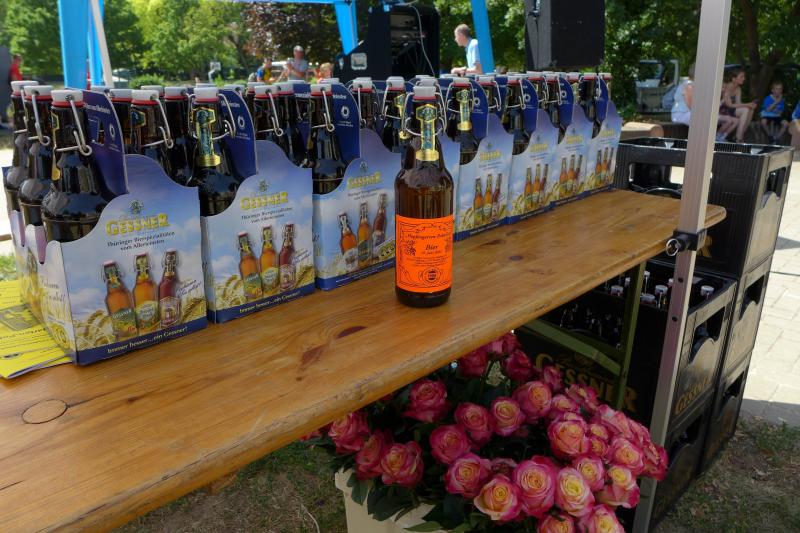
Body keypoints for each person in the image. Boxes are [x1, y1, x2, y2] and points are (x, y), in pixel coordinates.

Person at [723, 68, 757, 143]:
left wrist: (750, 105)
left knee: (751, 109)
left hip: (731, 110)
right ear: (734, 79)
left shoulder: (738, 88)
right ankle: (738, 137)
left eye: (744, 77)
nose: (744, 78)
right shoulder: (727, 87)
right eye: (741, 76)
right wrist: (748, 104)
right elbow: (729, 105)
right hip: (724, 110)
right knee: (746, 109)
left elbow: (738, 103)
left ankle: (741, 134)